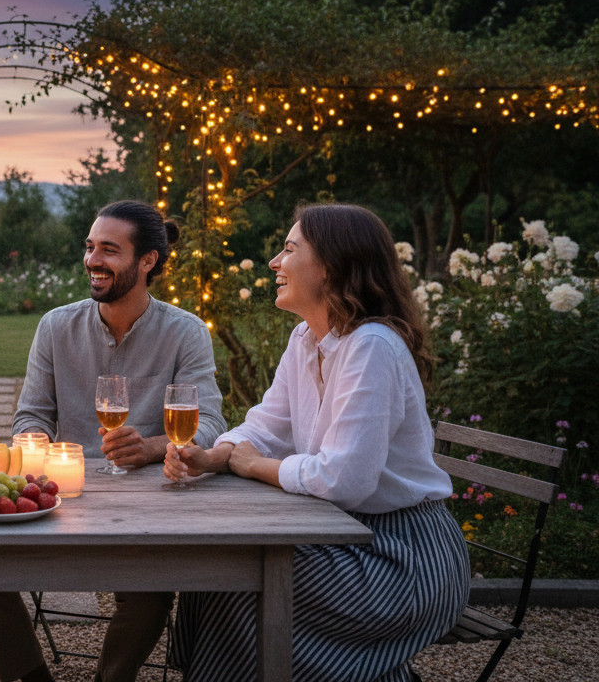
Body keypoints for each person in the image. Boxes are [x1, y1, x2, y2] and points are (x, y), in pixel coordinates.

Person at [164, 203, 469, 681]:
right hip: (340, 535)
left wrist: (252, 467)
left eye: (288, 249)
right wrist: (214, 456)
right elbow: (264, 425)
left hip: (400, 558)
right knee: (222, 564)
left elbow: (343, 479)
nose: (273, 263)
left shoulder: (371, 347)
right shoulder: (306, 339)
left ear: (329, 267)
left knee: (238, 577)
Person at [0, 200, 228, 682]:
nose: (93, 260)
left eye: (109, 250)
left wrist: (153, 447)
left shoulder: (186, 332)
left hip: (149, 501)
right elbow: (32, 414)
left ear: (147, 260)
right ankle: (30, 676)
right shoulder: (56, 326)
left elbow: (211, 421)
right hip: (65, 495)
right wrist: (31, 444)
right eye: (90, 248)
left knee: (152, 594)